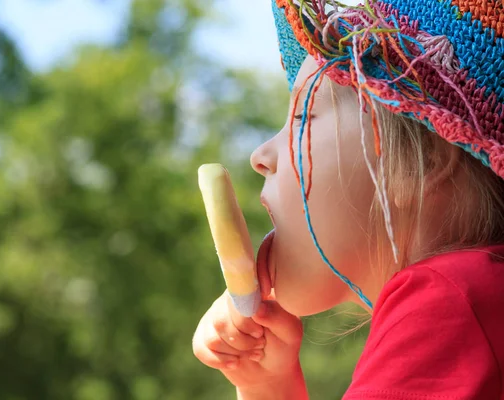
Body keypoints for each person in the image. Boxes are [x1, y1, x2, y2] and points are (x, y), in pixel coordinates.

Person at [192, 0, 504, 398]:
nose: (259, 157)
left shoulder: (448, 303)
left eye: (304, 116)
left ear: (422, 163)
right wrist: (269, 385)